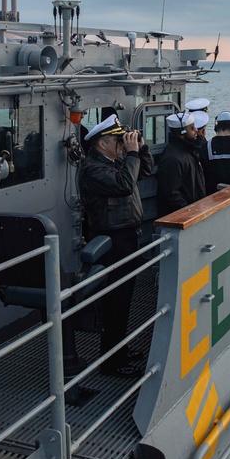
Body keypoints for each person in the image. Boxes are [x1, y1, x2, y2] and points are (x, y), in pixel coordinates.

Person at [78, 114, 153, 377]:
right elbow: (123, 186)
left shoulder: (114, 161)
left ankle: (119, 349)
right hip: (112, 240)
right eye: (117, 141)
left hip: (125, 236)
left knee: (124, 299)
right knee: (115, 301)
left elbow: (144, 171)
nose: (122, 145)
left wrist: (140, 150)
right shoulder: (93, 169)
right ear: (101, 143)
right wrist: (131, 154)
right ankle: (111, 363)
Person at [156, 112, 206, 217]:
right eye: (192, 128)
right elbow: (170, 194)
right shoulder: (173, 159)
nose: (196, 130)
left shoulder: (188, 151)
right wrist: (189, 212)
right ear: (181, 133)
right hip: (182, 217)